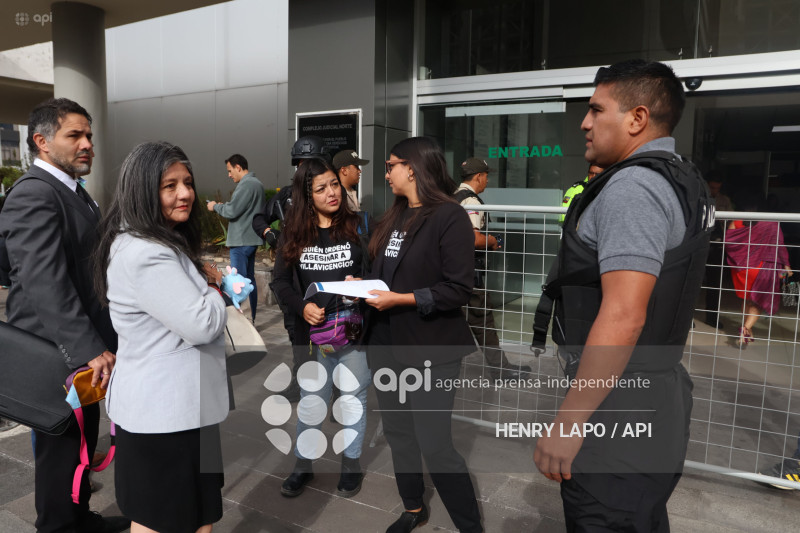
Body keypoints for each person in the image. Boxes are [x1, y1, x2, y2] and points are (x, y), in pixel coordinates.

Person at [532, 59, 712, 531]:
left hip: (619, 414)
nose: (584, 122)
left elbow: (624, 314)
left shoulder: (632, 186)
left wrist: (569, 423)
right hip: (651, 399)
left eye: (596, 109)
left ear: (637, 118)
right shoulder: (681, 176)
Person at [0, 98, 129, 533]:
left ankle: (78, 519)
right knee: (59, 454)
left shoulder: (72, 191)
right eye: (74, 135)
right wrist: (89, 347)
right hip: (57, 355)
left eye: (89, 135)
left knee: (79, 445)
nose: (87, 144)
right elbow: (44, 282)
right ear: (41, 141)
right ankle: (57, 526)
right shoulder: (35, 192)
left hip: (79, 354)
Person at [94, 141, 229, 533]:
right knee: (162, 520)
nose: (185, 193)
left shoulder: (157, 241)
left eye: (186, 182)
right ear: (142, 191)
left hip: (185, 409)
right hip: (165, 417)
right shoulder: (146, 252)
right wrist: (214, 290)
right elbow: (203, 322)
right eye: (169, 185)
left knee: (200, 513)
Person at [366, 137, 483, 533]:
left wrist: (400, 298)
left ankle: (470, 525)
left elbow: (458, 288)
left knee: (435, 444)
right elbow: (388, 273)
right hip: (385, 343)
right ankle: (413, 507)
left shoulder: (449, 216)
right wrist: (362, 285)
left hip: (431, 348)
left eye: (391, 164)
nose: (387, 172)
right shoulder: (395, 215)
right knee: (399, 432)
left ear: (412, 168)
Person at [270, 157, 371, 499]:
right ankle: (303, 464)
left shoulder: (357, 226)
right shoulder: (294, 233)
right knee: (313, 402)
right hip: (312, 337)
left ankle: (351, 464)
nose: (332, 193)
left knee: (354, 400)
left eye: (334, 184)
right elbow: (280, 282)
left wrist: (362, 285)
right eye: (321, 188)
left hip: (352, 333)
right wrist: (302, 307)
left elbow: (374, 275)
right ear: (306, 195)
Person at [252, 135, 333, 402]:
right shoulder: (286, 196)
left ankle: (335, 389)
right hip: (292, 278)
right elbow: (259, 218)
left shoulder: (331, 192)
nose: (304, 168)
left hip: (322, 275)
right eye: (300, 163)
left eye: (310, 162)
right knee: (297, 336)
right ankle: (303, 383)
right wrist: (270, 235)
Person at [455, 156, 531, 380]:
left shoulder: (451, 197)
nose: (488, 181)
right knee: (483, 321)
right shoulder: (471, 202)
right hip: (470, 276)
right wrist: (492, 241)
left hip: (453, 273)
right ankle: (501, 371)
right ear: (478, 176)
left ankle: (499, 368)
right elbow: (473, 239)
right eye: (486, 176)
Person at [724, 194, 792, 347]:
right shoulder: (770, 224)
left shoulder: (736, 221)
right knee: (758, 303)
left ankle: (748, 330)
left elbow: (729, 244)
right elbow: (779, 246)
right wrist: (786, 265)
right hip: (760, 268)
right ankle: (746, 328)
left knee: (747, 300)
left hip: (741, 270)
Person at [207, 154, 265, 322]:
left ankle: (244, 323)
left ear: (238, 167)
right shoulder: (258, 184)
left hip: (241, 242)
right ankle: (251, 319)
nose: (229, 175)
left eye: (230, 170)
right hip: (252, 240)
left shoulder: (247, 185)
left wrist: (215, 206)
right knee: (248, 282)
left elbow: (231, 210)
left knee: (237, 284)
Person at [702, 173, 733, 328]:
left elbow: (732, 223)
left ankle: (712, 318)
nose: (714, 190)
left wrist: (723, 220)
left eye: (717, 188)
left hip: (718, 246)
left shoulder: (724, 200)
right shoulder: (698, 197)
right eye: (712, 187)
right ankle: (686, 319)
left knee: (715, 285)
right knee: (692, 284)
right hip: (700, 245)